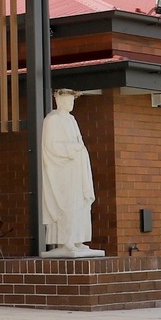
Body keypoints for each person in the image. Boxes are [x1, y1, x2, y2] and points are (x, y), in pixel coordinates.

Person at [39, 88, 102, 257]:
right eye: (68, 100)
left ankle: (77, 239)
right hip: (62, 172)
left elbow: (79, 141)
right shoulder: (52, 120)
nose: (71, 103)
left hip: (76, 169)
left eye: (72, 100)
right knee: (67, 204)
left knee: (80, 204)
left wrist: (78, 151)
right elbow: (51, 146)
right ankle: (65, 240)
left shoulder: (72, 120)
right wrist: (72, 149)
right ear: (59, 101)